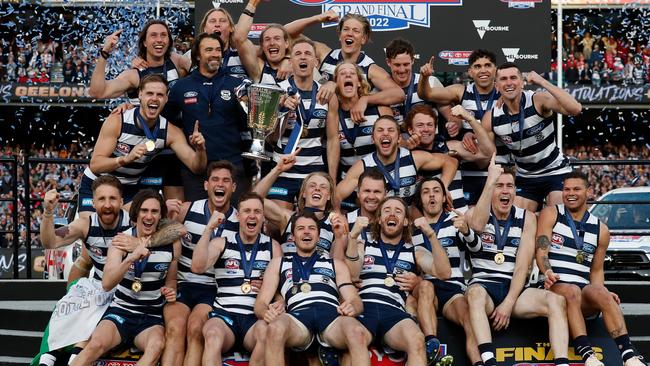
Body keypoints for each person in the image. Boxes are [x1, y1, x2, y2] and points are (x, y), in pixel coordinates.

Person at [464, 155, 570, 366]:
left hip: (514, 288)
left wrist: (508, 304)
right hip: (484, 287)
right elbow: (475, 226)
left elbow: (522, 266)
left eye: (510, 186)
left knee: (556, 301)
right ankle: (489, 360)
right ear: (491, 189)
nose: (505, 191)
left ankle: (562, 363)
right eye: (499, 185)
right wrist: (489, 180)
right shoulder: (474, 213)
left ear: (515, 190)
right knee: (474, 294)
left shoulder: (528, 217)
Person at [536, 171, 646, 366]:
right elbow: (541, 251)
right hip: (553, 286)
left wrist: (601, 293)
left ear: (590, 192)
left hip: (581, 292)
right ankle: (587, 354)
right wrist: (547, 272)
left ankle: (629, 355)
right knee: (571, 291)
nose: (570, 193)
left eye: (576, 189)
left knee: (603, 293)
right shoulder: (551, 213)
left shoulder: (601, 230)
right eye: (566, 189)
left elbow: (596, 271)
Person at [70, 190, 180, 366]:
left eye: (154, 211)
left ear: (161, 216)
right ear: (136, 214)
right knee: (95, 345)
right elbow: (107, 283)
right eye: (144, 211)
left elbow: (171, 281)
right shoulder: (121, 240)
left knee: (157, 346)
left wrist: (171, 290)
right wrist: (130, 258)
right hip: (121, 311)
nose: (149, 216)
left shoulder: (172, 244)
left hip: (150, 316)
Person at [34, 176, 132, 366]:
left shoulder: (134, 221)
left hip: (126, 288)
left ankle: (74, 356)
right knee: (66, 304)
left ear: (121, 201)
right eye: (102, 199)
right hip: (99, 286)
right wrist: (47, 212)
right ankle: (48, 356)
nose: (107, 204)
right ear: (93, 202)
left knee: (96, 308)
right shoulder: (85, 224)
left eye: (112, 199)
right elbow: (50, 242)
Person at [79, 74, 207, 215]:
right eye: (149, 93)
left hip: (127, 189)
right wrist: (125, 159)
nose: (154, 98)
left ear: (166, 99)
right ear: (140, 95)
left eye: (159, 95)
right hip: (97, 184)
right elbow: (96, 164)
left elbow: (197, 168)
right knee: (90, 228)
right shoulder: (118, 120)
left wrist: (200, 149)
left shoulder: (170, 132)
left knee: (147, 222)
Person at [90, 20, 190, 201]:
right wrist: (105, 53)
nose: (159, 40)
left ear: (169, 40)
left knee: (173, 209)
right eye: (153, 35)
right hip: (146, 154)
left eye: (163, 35)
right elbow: (97, 92)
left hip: (174, 148)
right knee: (145, 210)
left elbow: (203, 67)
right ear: (144, 42)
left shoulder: (177, 62)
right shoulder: (134, 74)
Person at [345, 197, 452, 366]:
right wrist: (352, 237)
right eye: (387, 210)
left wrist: (431, 235)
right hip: (365, 308)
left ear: (405, 222)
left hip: (394, 312)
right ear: (379, 219)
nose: (392, 214)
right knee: (353, 339)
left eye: (398, 211)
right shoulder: (363, 244)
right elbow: (351, 274)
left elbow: (444, 273)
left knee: (417, 340)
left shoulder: (414, 250)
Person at [255, 211, 371, 366]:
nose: (306, 232)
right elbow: (260, 303)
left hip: (332, 316)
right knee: (275, 329)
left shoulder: (335, 264)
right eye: (301, 228)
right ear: (293, 237)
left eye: (311, 228)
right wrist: (265, 312)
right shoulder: (278, 263)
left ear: (318, 236)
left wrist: (354, 308)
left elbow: (355, 299)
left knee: (357, 333)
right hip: (297, 317)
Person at [159, 161, 241, 366]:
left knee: (196, 328)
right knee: (176, 328)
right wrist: (167, 218)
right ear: (206, 185)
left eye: (226, 180)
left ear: (233, 187)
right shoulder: (187, 209)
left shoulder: (240, 221)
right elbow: (161, 240)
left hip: (213, 288)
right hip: (182, 283)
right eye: (215, 179)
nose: (220, 184)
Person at [192, 192, 282, 366]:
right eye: (247, 210)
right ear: (238, 215)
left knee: (267, 334)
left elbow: (280, 287)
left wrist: (272, 291)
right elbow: (197, 267)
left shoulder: (273, 246)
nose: (252, 215)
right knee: (211, 334)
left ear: (263, 216)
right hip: (225, 315)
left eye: (257, 211)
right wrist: (208, 228)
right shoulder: (221, 242)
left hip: (255, 318)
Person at [481, 63, 582, 211]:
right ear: (496, 86)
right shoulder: (492, 117)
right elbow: (484, 152)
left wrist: (542, 81)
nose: (509, 83)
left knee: (557, 217)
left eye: (513, 78)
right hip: (525, 177)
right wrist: (471, 131)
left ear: (522, 82)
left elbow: (576, 108)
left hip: (555, 171)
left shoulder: (538, 100)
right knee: (517, 222)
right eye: (503, 79)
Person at [165, 32, 248, 202]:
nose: (215, 54)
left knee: (233, 219)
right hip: (197, 168)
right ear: (197, 54)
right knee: (197, 220)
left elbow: (248, 123)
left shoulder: (237, 85)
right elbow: (165, 119)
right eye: (208, 49)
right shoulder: (181, 86)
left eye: (218, 50)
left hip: (232, 165)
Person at [418, 49, 503, 206]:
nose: (483, 70)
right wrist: (424, 77)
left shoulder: (505, 93)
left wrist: (473, 133)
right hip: (467, 166)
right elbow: (426, 94)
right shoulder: (461, 91)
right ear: (470, 72)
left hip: (500, 167)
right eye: (477, 66)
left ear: (495, 69)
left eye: (488, 65)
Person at [411, 176, 482, 365]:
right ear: (420, 200)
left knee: (469, 317)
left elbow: (477, 249)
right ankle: (432, 348)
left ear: (444, 197)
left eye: (436, 191)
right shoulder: (412, 230)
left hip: (453, 287)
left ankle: (478, 362)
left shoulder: (455, 220)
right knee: (425, 286)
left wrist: (467, 231)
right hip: (426, 288)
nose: (431, 195)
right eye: (426, 192)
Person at [286, 12, 405, 118]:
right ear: (339, 35)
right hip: (321, 120)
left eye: (356, 31)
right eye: (346, 29)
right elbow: (285, 33)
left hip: (350, 123)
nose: (350, 34)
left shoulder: (370, 68)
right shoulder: (325, 54)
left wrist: (366, 99)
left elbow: (398, 94)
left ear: (363, 39)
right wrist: (318, 18)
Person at [270, 37, 338, 209]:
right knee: (276, 224)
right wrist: (283, 112)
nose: (303, 57)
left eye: (308, 54)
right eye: (298, 54)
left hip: (314, 172)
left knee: (311, 224)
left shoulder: (326, 94)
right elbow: (271, 138)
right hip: (283, 169)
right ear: (290, 61)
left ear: (315, 62)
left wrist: (332, 179)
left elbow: (332, 140)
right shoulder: (278, 91)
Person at [337, 115, 458, 206]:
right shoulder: (362, 167)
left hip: (409, 223)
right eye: (380, 130)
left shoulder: (413, 158)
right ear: (373, 139)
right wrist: (337, 213)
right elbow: (336, 196)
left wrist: (444, 187)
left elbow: (451, 162)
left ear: (399, 138)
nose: (385, 134)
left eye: (390, 130)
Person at [404, 104, 496, 212]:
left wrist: (470, 119)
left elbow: (489, 153)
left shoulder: (449, 146)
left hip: (459, 216)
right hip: (428, 220)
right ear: (410, 130)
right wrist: (406, 149)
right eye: (420, 125)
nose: (426, 129)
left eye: (430, 125)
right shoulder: (404, 154)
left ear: (435, 128)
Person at [254, 151, 341, 257]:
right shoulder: (288, 218)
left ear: (328, 196)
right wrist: (278, 170)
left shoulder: (335, 224)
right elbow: (253, 199)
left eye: (323, 187)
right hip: (288, 272)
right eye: (312, 186)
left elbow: (337, 264)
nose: (317, 189)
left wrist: (341, 237)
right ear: (303, 193)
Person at [333, 62, 393, 189]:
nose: (347, 75)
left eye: (352, 73)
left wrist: (408, 144)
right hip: (347, 182)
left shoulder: (379, 110)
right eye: (342, 74)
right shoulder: (333, 113)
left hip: (377, 182)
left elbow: (396, 144)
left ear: (359, 82)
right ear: (336, 84)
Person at [232, 0, 292, 84]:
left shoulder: (299, 64)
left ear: (286, 43)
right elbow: (239, 37)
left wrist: (290, 59)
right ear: (262, 46)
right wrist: (253, 3)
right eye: (267, 39)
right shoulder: (259, 68)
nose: (272, 43)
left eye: (277, 38)